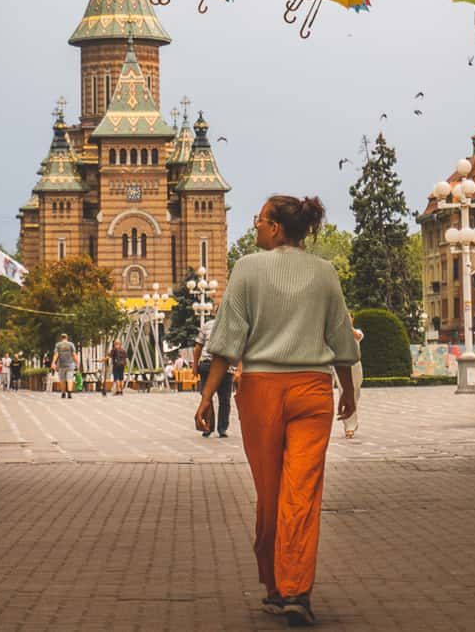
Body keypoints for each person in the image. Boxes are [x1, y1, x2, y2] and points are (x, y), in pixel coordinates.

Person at [195, 195, 359, 628]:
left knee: (270, 497)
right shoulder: (325, 273)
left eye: (260, 220)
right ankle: (293, 590)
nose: (255, 227)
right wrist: (349, 393)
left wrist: (207, 395)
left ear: (277, 229)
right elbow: (342, 340)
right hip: (313, 391)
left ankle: (279, 586)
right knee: (302, 493)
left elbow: (227, 338)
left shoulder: (247, 268)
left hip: (262, 392)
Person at [193, 311, 233, 438]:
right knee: (215, 398)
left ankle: (216, 428)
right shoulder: (210, 326)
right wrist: (195, 365)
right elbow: (198, 347)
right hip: (213, 365)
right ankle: (215, 428)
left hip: (221, 365)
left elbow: (198, 347)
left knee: (217, 398)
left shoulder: (229, 326)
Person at [335, 315, 364, 438]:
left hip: (355, 365)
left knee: (355, 392)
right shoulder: (336, 334)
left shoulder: (357, 332)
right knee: (345, 392)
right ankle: (349, 426)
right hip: (341, 365)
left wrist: (348, 327)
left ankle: (353, 415)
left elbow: (357, 336)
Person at [51, 333, 79, 399]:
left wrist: (53, 363)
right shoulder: (71, 344)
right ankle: (69, 393)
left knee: (62, 379)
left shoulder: (58, 345)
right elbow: (74, 354)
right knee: (70, 379)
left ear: (61, 338)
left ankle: (63, 393)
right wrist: (77, 363)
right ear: (67, 338)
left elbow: (56, 354)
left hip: (61, 365)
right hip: (70, 364)